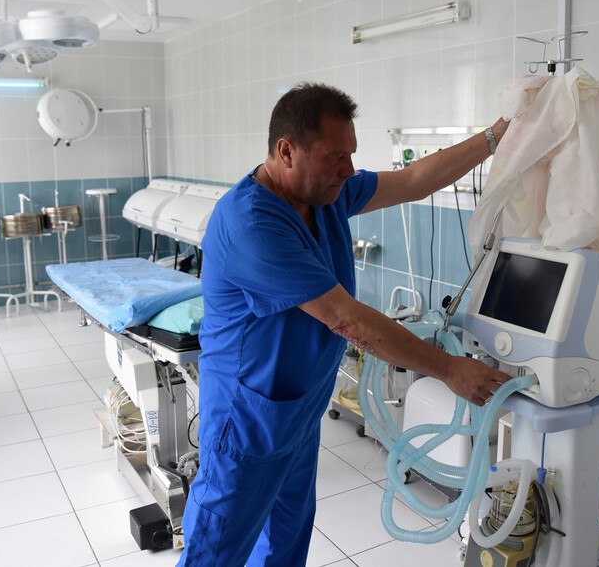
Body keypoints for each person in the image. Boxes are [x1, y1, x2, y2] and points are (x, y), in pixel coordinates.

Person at [177, 82, 511, 567]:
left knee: (284, 546)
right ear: (286, 152)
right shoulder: (252, 223)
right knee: (217, 553)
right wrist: (449, 369)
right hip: (247, 423)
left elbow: (414, 180)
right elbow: (346, 319)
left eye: (351, 154)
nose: (349, 170)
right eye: (336, 157)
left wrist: (497, 135)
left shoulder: (324, 195)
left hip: (297, 413)